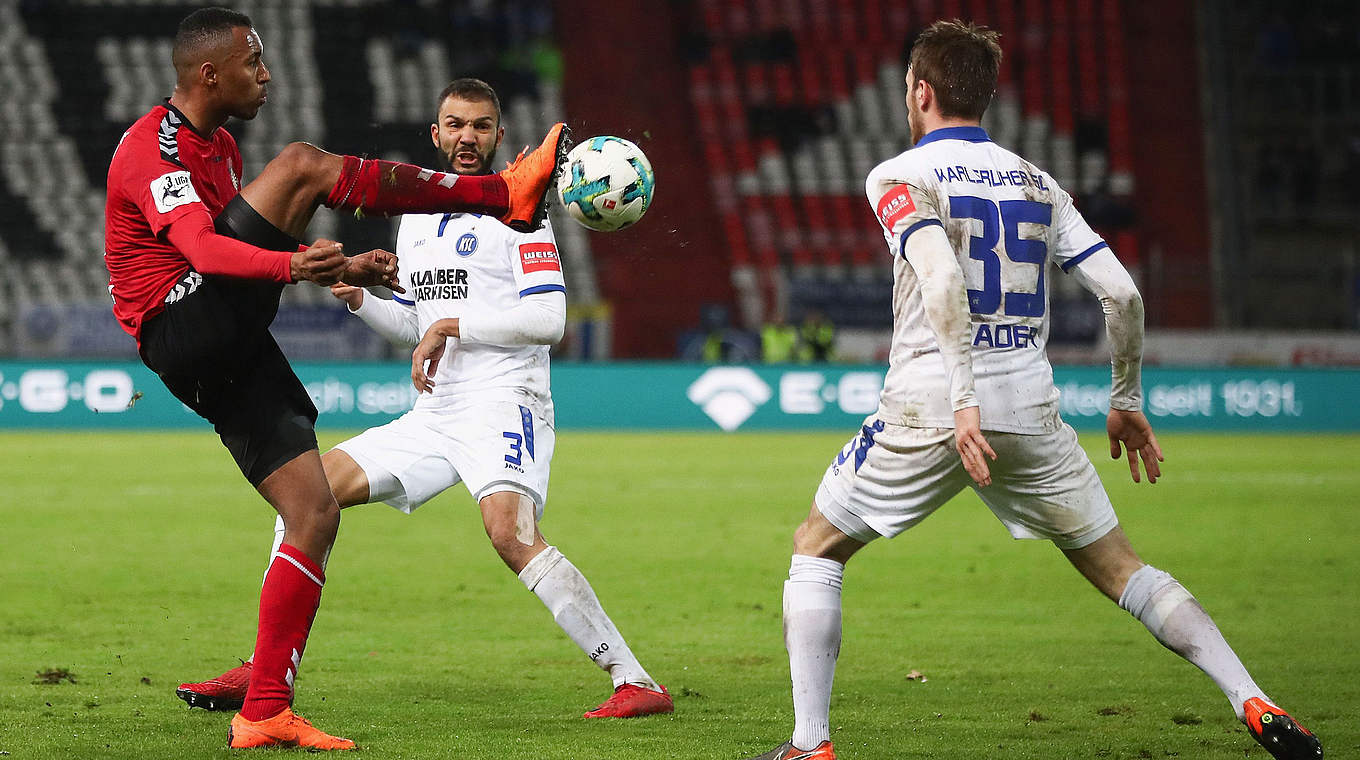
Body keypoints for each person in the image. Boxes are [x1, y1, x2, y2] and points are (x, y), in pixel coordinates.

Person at [744, 21, 1322, 760]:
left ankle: (809, 745)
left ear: (920, 91)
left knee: (816, 546)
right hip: (1031, 407)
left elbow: (944, 277)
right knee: (1123, 569)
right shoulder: (1038, 182)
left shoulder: (897, 176)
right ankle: (1252, 697)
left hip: (932, 407)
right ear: (985, 96)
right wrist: (1127, 397)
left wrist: (961, 401)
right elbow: (1123, 294)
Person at [104, 7, 567, 750]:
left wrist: (341, 269)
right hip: (177, 322)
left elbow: (243, 248)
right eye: (253, 63)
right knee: (302, 164)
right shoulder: (151, 148)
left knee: (314, 509)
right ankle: (502, 194)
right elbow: (206, 254)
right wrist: (293, 266)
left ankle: (263, 708)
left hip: (226, 345)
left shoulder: (217, 144)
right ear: (208, 73)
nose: (266, 75)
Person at [176, 78, 673, 721]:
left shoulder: (522, 215)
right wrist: (361, 301)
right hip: (436, 412)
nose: (468, 137)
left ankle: (634, 681)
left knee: (510, 533)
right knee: (308, 495)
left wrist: (452, 327)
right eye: (455, 125)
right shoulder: (415, 217)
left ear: (497, 136)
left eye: (482, 126)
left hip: (505, 401)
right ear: (435, 135)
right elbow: (418, 323)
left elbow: (550, 321)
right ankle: (265, 667)